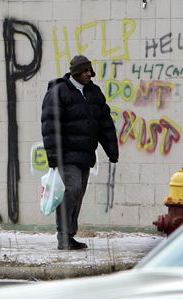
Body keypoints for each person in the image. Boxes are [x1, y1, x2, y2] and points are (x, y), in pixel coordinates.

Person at [41, 55, 119, 250]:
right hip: (66, 155)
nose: (88, 74)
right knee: (72, 190)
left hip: (85, 155)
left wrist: (112, 150)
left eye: (89, 71)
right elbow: (50, 126)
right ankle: (63, 236)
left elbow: (105, 124)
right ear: (76, 72)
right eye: (84, 71)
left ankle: (70, 234)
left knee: (78, 194)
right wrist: (53, 157)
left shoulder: (94, 93)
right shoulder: (59, 91)